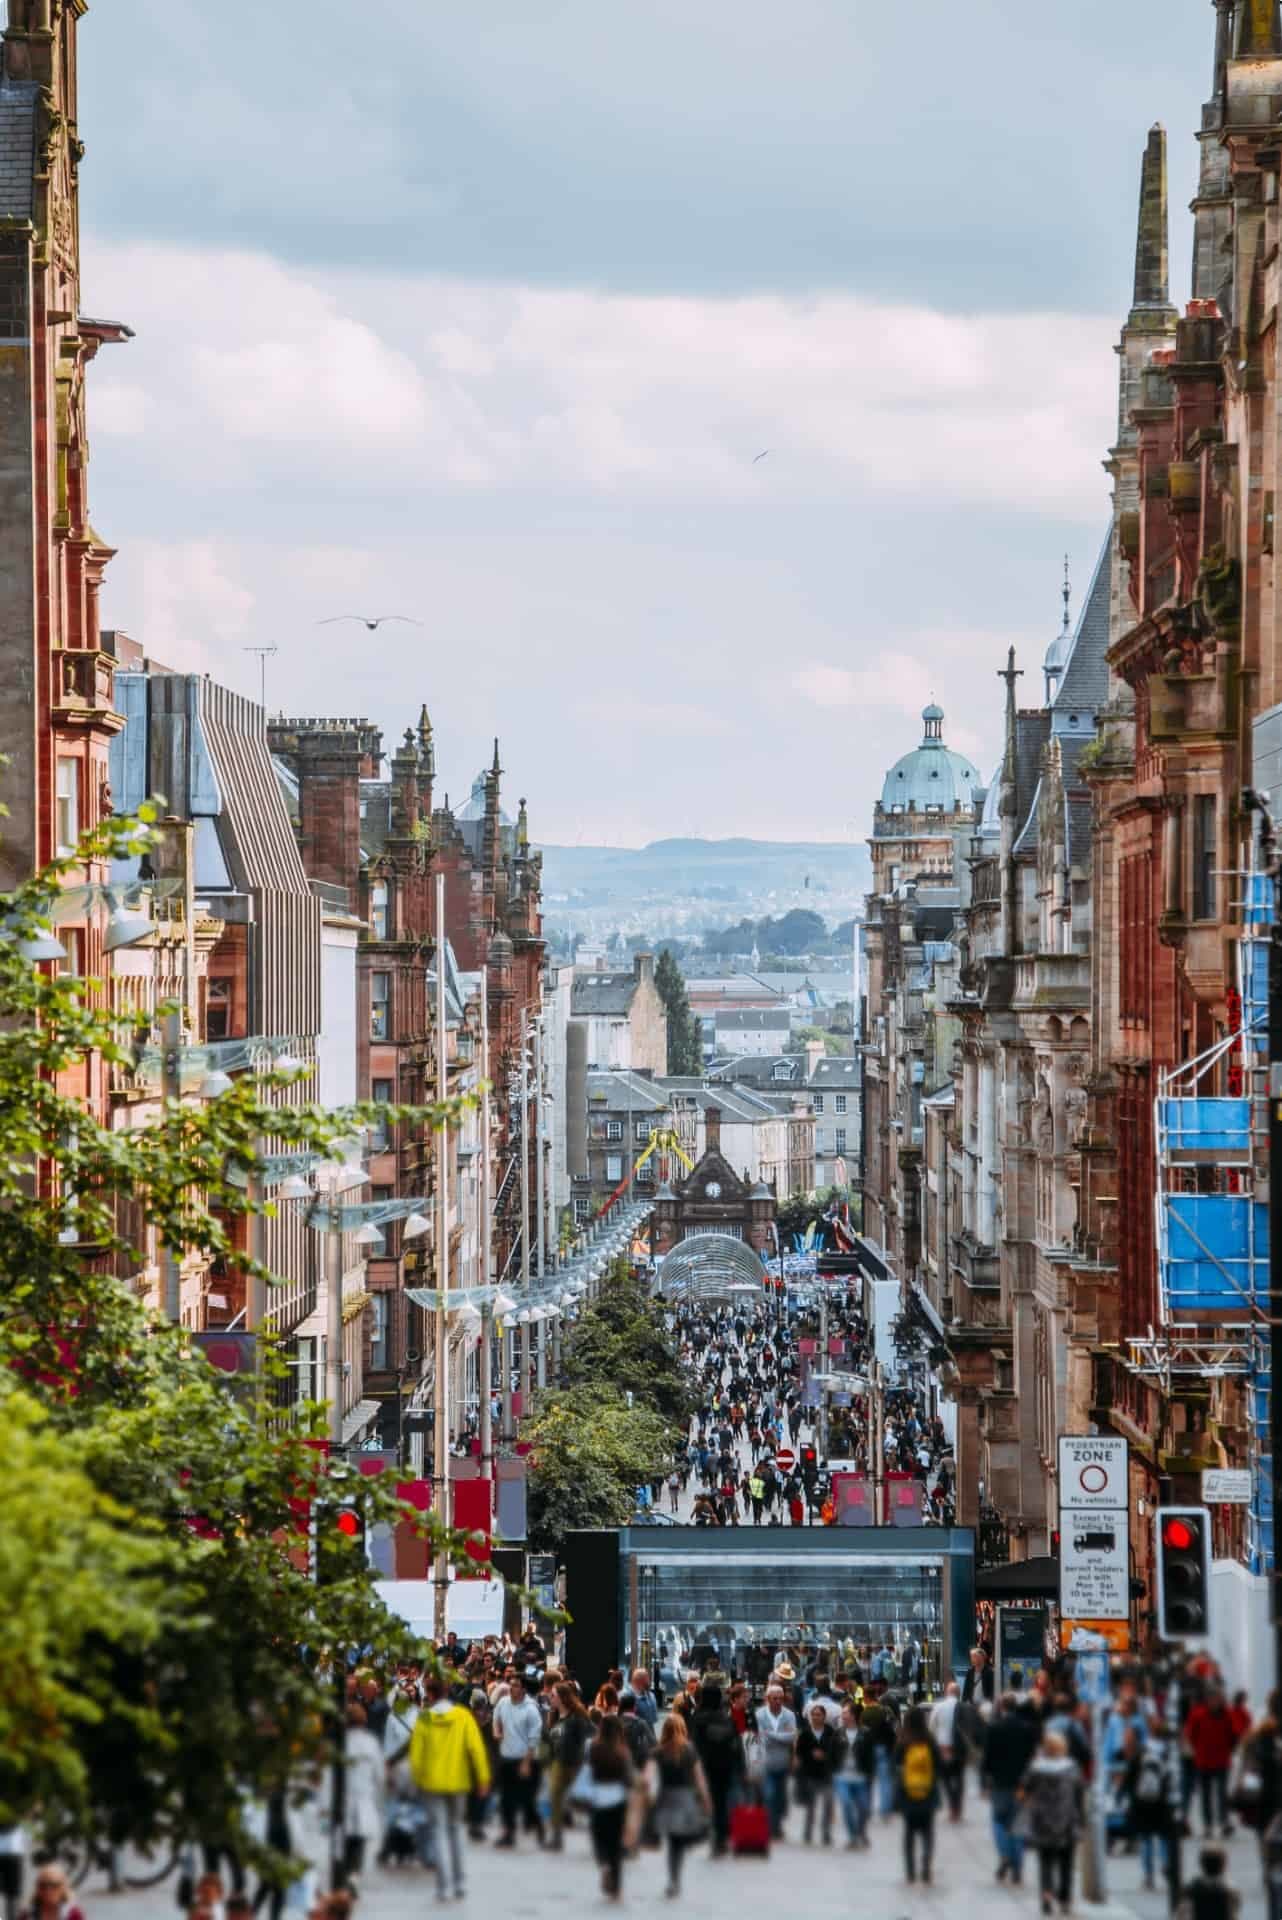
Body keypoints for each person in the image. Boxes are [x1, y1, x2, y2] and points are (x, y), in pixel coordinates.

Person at [407, 1670, 492, 1901]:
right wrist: (483, 1779)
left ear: (430, 1694)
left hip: (432, 1783)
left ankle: (443, 1886)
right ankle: (459, 1883)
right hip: (458, 1782)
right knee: (455, 1831)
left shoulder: (424, 1719)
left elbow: (416, 1756)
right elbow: (476, 1749)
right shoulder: (463, 1716)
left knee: (439, 1833)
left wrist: (416, 1781)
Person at [1020, 1728, 1082, 1917]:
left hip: (1042, 1820)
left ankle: (1046, 1895)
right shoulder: (1071, 1768)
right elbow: (1079, 1794)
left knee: (1045, 1860)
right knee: (1066, 1862)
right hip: (1067, 1820)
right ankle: (1064, 1900)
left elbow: (1024, 1789)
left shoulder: (1035, 1767)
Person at [649, 1714, 713, 1898]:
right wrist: (706, 1801)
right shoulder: (689, 1750)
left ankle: (673, 1879)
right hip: (685, 1799)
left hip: (666, 1799)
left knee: (672, 1842)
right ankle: (674, 1878)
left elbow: (647, 1778)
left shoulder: (658, 1752)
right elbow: (700, 1779)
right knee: (678, 1842)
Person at [983, 1691, 1040, 1886]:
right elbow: (1033, 1756)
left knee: (999, 1821)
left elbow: (987, 1757)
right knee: (1019, 1824)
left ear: (1001, 1707)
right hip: (1021, 1784)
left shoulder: (994, 1728)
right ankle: (1017, 1867)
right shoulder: (1027, 1729)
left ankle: (1004, 1855)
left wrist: (985, 1781)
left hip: (1000, 1782)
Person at [1121, 1711, 1181, 1893]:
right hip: (1162, 1802)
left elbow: (1129, 1778)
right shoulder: (1169, 1753)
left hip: (1142, 1802)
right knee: (1163, 1838)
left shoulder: (1141, 1752)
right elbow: (1174, 1779)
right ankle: (1166, 1865)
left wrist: (1128, 1795)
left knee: (1146, 1839)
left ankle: (1148, 1877)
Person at [688, 1682, 743, 1857]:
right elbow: (735, 1744)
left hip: (704, 1766)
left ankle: (707, 1831)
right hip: (724, 1766)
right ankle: (720, 1836)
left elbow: (694, 1744)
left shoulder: (698, 1718)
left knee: (704, 1800)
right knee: (721, 1801)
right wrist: (739, 1766)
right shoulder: (725, 1719)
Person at [492, 1672, 546, 1848]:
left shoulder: (531, 1710)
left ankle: (536, 1823)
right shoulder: (503, 1703)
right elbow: (496, 1718)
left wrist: (526, 1763)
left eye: (515, 1685)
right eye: (510, 1684)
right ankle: (508, 1833)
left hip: (526, 1760)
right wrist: (497, 1731)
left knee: (525, 1800)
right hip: (507, 1757)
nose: (511, 1688)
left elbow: (534, 1739)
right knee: (506, 1799)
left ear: (523, 1689)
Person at [586, 1715, 633, 1901]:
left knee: (599, 1836)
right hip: (617, 1799)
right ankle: (617, 1885)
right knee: (615, 1842)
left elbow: (589, 1772)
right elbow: (628, 1779)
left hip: (598, 1798)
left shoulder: (594, 1749)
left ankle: (604, 1863)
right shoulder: (622, 1752)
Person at [894, 1704, 941, 1886]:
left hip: (908, 1792)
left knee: (909, 1833)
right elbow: (938, 1766)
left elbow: (896, 1766)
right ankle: (926, 1867)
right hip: (928, 1792)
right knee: (928, 1832)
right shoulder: (929, 1740)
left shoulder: (903, 1741)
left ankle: (910, 1870)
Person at [1185, 1688, 1238, 1839]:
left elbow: (1233, 1735)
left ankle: (1223, 1821)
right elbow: (1191, 1734)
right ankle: (1208, 1825)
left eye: (1218, 1699)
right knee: (1206, 1795)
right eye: (1213, 1699)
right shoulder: (1198, 1714)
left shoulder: (1227, 1715)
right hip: (1204, 1760)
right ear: (1208, 1701)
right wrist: (1198, 1748)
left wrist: (1228, 1749)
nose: (1216, 1702)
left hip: (1221, 1759)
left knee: (1222, 1793)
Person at [342, 1703, 385, 1885]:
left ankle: (347, 1872)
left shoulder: (340, 1743)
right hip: (364, 1796)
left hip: (345, 1797)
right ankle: (354, 1873)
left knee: (347, 1836)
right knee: (359, 1838)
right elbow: (379, 1775)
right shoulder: (371, 1743)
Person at [545, 1682, 592, 1850]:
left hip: (574, 1764)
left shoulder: (578, 1718)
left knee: (584, 1800)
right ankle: (556, 1836)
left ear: (563, 1698)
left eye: (553, 1695)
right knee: (555, 1799)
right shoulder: (554, 1717)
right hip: (558, 1763)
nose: (550, 1698)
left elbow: (591, 1736)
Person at [795, 1700, 842, 1845]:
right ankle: (808, 1832)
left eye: (819, 1715)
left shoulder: (831, 1733)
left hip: (826, 1773)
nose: (816, 1717)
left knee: (828, 1803)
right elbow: (799, 1752)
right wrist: (810, 1754)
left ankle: (826, 1833)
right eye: (813, 1715)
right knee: (811, 1805)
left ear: (824, 1716)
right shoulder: (805, 1733)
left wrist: (826, 1756)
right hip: (810, 1773)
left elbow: (837, 1753)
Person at [756, 1681, 798, 1838]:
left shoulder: (789, 1715)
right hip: (766, 1762)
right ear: (768, 1698)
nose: (778, 1701)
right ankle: (771, 1827)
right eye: (774, 1698)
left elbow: (791, 1736)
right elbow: (761, 1738)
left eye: (780, 1698)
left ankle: (777, 1824)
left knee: (781, 1797)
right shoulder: (759, 1715)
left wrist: (771, 1734)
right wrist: (781, 1735)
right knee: (769, 1794)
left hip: (783, 1762)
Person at [833, 1698, 872, 1849]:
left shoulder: (865, 1733)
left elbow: (870, 1756)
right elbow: (832, 1755)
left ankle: (861, 1831)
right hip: (842, 1777)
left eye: (845, 1713)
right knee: (847, 1804)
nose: (842, 1716)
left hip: (860, 1777)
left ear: (853, 1716)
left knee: (863, 1808)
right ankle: (852, 1835)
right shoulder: (838, 1734)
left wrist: (870, 1774)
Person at [928, 1680, 966, 1821]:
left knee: (946, 1779)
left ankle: (952, 1805)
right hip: (959, 1748)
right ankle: (958, 1805)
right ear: (958, 1693)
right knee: (959, 1777)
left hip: (943, 1747)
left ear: (947, 1692)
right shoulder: (963, 1707)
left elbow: (931, 1726)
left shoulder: (939, 1706)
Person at [1175, 1845, 1241, 1920]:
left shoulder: (1192, 1887)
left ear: (1201, 1864)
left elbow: (1181, 1913)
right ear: (1224, 1865)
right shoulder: (1231, 1889)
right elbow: (1234, 1914)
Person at [15, 1867, 84, 1920]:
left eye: (54, 1885)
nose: (48, 1890)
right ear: (37, 1889)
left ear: (63, 1889)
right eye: (43, 1885)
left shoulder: (74, 1914)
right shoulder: (27, 1914)